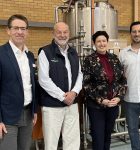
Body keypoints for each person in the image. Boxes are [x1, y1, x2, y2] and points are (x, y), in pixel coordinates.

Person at [38, 21, 83, 150]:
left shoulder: (73, 52)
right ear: (53, 33)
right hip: (53, 106)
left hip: (72, 104)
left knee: (72, 141)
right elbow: (43, 80)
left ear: (69, 33)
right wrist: (63, 96)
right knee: (51, 143)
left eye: (65, 32)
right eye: (59, 32)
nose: (62, 35)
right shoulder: (45, 52)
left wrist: (74, 93)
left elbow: (79, 74)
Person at [83, 31, 127, 150]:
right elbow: (86, 85)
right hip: (96, 107)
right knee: (98, 137)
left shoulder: (114, 59)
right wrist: (102, 100)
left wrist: (119, 97)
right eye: (98, 41)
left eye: (104, 41)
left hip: (113, 105)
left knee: (108, 136)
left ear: (107, 42)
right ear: (94, 43)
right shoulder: (89, 60)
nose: (101, 43)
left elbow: (122, 80)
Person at [0, 14, 37, 150]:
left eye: (23, 28)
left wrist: (34, 110)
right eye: (16, 28)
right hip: (7, 117)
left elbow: (32, 85)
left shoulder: (29, 55)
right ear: (8, 30)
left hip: (27, 115)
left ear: (27, 32)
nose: (20, 32)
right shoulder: (1, 54)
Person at [119, 21, 140, 150]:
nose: (137, 34)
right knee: (132, 131)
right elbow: (119, 76)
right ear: (130, 33)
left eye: (139, 31)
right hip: (130, 99)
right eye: (134, 31)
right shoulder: (123, 53)